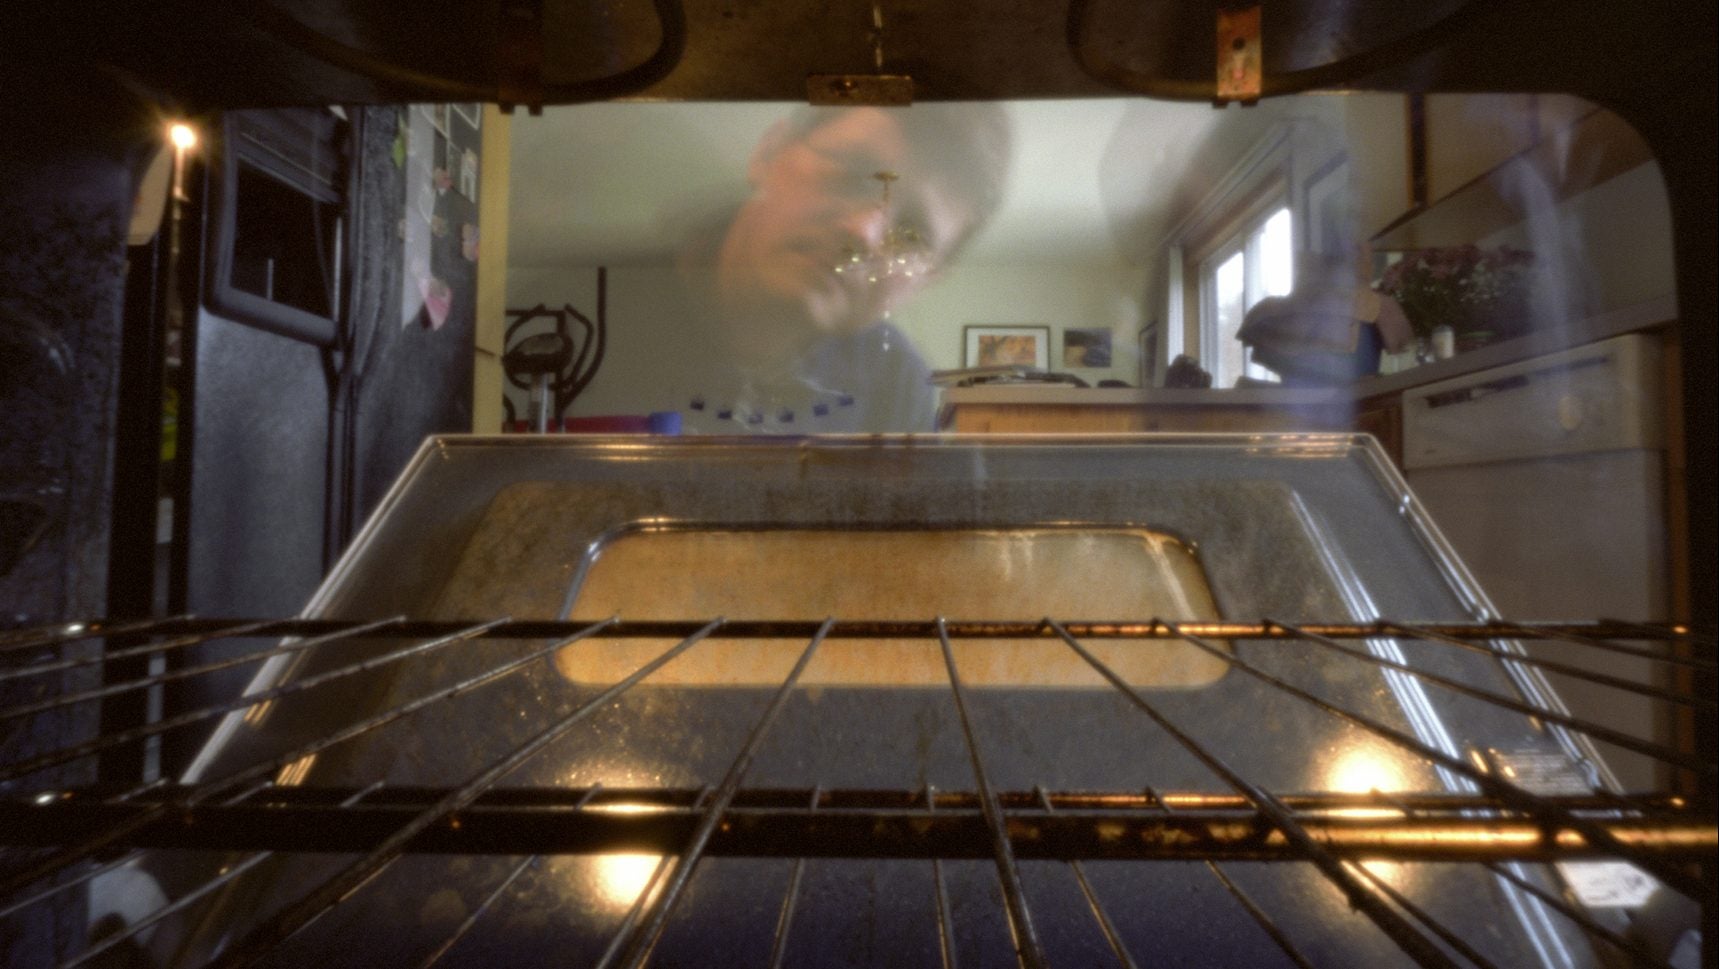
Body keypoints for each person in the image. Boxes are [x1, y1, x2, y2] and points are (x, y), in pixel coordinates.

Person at [662, 103, 1011, 433]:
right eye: (854, 176)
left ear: (929, 279)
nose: (864, 233)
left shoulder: (897, 380)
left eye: (912, 234)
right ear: (769, 153)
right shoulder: (612, 306)